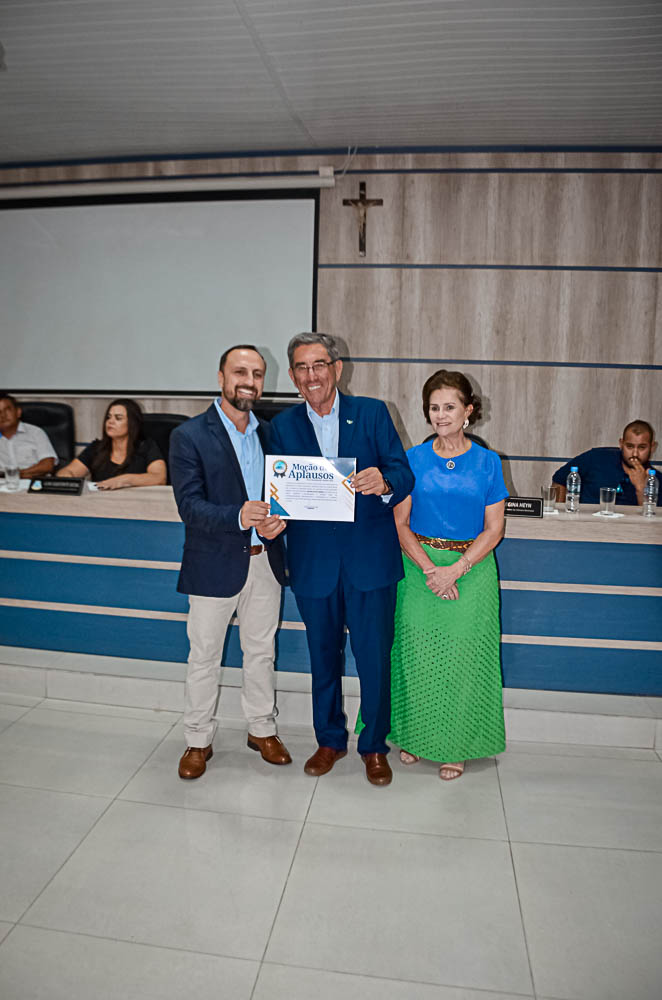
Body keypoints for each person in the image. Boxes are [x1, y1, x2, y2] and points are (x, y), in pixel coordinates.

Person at [269, 333, 414, 787]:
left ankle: (374, 746)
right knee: (323, 658)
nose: (311, 376)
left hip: (369, 560)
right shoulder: (281, 425)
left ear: (337, 368)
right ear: (293, 377)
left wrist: (383, 480)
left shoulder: (371, 412)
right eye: (302, 368)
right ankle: (329, 740)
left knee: (373, 657)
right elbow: (277, 491)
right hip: (314, 563)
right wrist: (273, 516)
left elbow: (403, 474)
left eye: (319, 365)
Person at [169, 345, 290, 779]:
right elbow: (190, 506)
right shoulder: (189, 435)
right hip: (212, 563)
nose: (250, 381)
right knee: (204, 657)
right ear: (220, 376)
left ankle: (261, 729)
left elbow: (283, 498)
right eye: (240, 371)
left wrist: (280, 524)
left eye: (257, 374)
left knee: (261, 653)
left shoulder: (271, 434)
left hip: (265, 563)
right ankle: (197, 740)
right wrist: (239, 516)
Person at [390, 369, 508, 780]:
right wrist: (430, 570)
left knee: (461, 661)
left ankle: (455, 745)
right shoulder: (412, 460)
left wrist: (455, 569)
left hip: (471, 572)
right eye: (433, 408)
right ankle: (412, 736)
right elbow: (400, 523)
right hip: (418, 569)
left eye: (449, 407)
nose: (440, 415)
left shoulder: (488, 462)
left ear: (468, 410)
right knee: (415, 656)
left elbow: (494, 529)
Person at [57, 399, 166, 489]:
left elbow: (159, 478)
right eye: (109, 417)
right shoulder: (97, 448)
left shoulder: (146, 447)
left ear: (133, 423)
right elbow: (68, 471)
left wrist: (124, 480)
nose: (110, 422)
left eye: (118, 418)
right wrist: (67, 478)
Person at [552, 420, 661, 506]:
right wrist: (559, 517)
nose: (635, 453)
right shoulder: (595, 458)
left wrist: (641, 488)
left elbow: (652, 523)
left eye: (642, 447)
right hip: (586, 528)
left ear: (652, 447)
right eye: (630, 446)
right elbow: (559, 480)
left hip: (628, 532)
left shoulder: (656, 479)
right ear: (621, 444)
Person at [0, 393, 57, 479]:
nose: (3, 415)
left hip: (34, 484)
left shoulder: (35, 432)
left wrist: (18, 474)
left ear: (18, 412)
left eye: (7, 410)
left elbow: (47, 465)